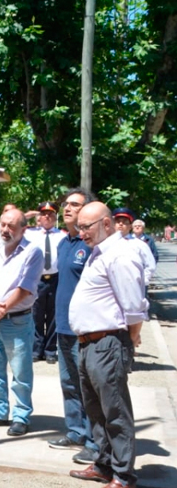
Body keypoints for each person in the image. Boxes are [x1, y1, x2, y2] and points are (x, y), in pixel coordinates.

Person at [68, 202, 147, 488]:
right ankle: (104, 465)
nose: (81, 232)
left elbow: (134, 308)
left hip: (107, 343)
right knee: (96, 411)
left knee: (115, 412)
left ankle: (124, 476)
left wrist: (130, 341)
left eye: (86, 226)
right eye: (79, 227)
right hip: (89, 344)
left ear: (106, 223)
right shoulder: (99, 253)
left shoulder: (121, 254)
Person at [0, 209, 43, 437]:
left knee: (21, 371)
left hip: (17, 321)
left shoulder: (33, 252)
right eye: (2, 225)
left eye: (11, 226)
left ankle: (21, 416)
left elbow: (26, 287)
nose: (5, 230)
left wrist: (1, 307)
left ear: (24, 229)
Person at [47, 188, 99, 464]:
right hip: (63, 328)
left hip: (85, 329)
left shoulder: (90, 245)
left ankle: (94, 442)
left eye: (75, 205)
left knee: (89, 388)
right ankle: (76, 431)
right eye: (66, 204)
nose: (67, 208)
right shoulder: (64, 242)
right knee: (69, 384)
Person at [25, 202, 66, 364]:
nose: (47, 217)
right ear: (39, 218)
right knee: (36, 315)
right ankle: (37, 349)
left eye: (50, 214)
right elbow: (11, 228)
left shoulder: (62, 236)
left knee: (53, 316)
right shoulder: (30, 234)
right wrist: (26, 215)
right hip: (37, 279)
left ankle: (50, 350)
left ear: (56, 217)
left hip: (56, 278)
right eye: (44, 214)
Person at [112, 208, 156, 286]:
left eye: (125, 222)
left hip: (133, 286)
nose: (121, 224)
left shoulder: (139, 245)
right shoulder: (106, 244)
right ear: (113, 225)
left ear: (130, 226)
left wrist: (142, 281)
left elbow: (150, 265)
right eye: (118, 222)